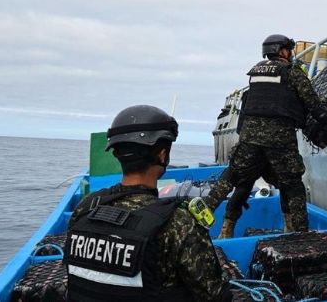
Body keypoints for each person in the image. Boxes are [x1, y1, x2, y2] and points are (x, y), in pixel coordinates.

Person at [64, 105, 230, 302]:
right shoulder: (179, 223)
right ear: (162, 155)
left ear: (117, 154)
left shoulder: (87, 206)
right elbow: (214, 295)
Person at [205, 34, 327, 238]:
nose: (291, 54)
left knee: (236, 180)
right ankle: (299, 233)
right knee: (291, 184)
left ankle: (212, 224)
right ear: (282, 51)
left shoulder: (256, 73)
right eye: (288, 49)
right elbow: (312, 103)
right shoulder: (291, 72)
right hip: (279, 140)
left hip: (249, 139)